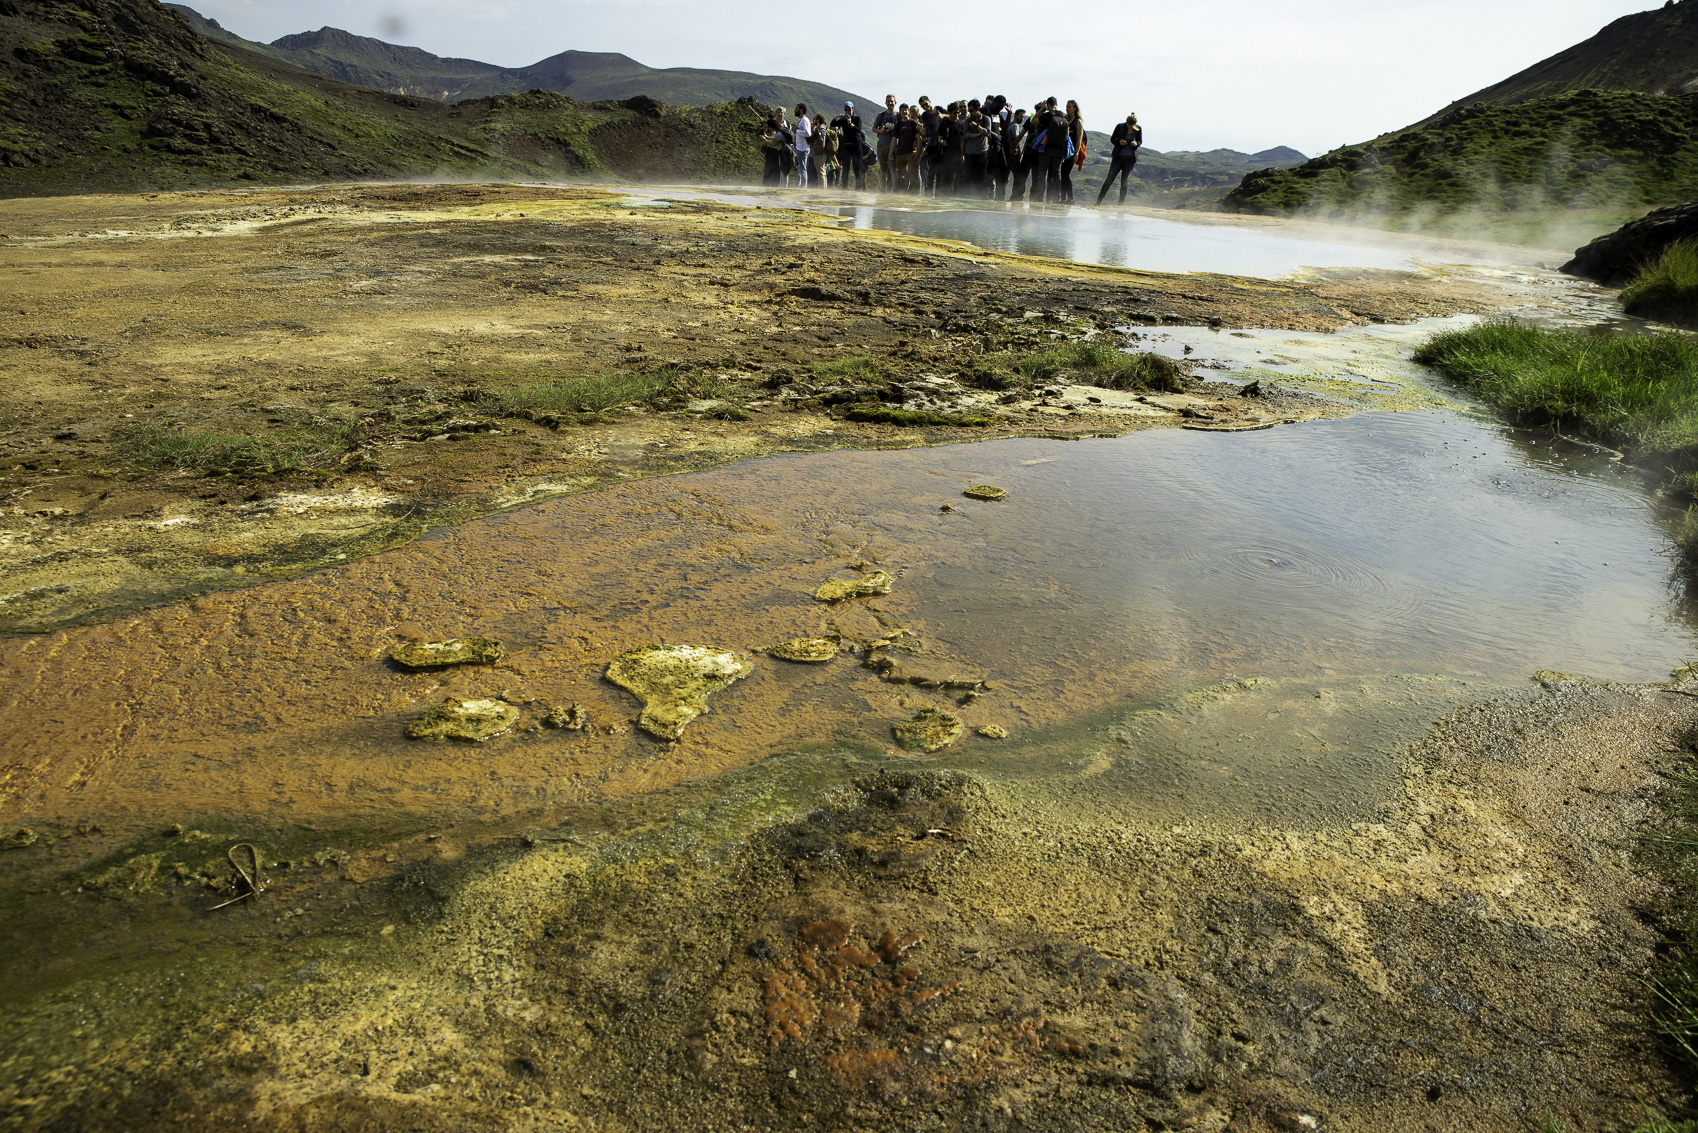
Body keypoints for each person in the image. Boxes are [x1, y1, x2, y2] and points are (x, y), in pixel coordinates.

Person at [1097, 112, 1142, 204]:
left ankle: (1120, 204)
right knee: (1109, 180)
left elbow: (1140, 141)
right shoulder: (1120, 127)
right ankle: (1099, 200)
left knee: (1124, 183)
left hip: (1130, 160)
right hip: (1118, 158)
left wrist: (1136, 144)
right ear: (1126, 122)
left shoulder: (1138, 129)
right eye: (1129, 125)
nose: (1130, 128)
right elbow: (1112, 139)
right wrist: (1119, 142)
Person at [1032, 97, 1070, 203]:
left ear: (1048, 105)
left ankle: (1039, 197)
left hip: (1045, 149)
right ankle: (1054, 198)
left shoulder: (1047, 115)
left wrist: (1041, 110)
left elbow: (1034, 121)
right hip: (1058, 150)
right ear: (1057, 104)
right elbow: (1067, 134)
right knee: (1056, 174)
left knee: (1042, 173)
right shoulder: (1064, 116)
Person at [832, 101, 867, 190]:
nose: (847, 111)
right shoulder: (843, 120)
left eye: (849, 109)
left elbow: (858, 130)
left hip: (856, 146)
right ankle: (845, 188)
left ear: (852, 109)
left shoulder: (857, 118)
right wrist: (836, 117)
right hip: (846, 146)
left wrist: (851, 124)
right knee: (846, 168)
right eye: (846, 109)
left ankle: (858, 189)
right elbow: (833, 124)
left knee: (857, 168)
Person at [961, 98, 990, 195]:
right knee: (968, 177)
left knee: (981, 178)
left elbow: (987, 132)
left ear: (978, 109)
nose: (970, 113)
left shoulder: (986, 119)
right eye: (969, 111)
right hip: (970, 152)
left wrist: (977, 126)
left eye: (972, 110)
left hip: (982, 152)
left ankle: (980, 196)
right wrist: (978, 134)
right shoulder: (966, 121)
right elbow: (967, 135)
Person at [759, 108, 794, 187]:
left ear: (784, 114)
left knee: (777, 171)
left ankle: (775, 188)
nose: (780, 114)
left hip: (781, 151)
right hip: (771, 150)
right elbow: (764, 134)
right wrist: (764, 130)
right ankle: (765, 187)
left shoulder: (787, 125)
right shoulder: (771, 123)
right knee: (768, 170)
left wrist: (766, 139)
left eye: (781, 112)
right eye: (778, 112)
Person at [892, 104, 921, 192]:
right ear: (900, 112)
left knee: (913, 174)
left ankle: (915, 194)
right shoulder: (898, 125)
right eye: (902, 110)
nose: (904, 112)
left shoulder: (913, 123)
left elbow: (919, 137)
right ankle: (903, 193)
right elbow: (894, 139)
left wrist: (919, 151)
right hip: (900, 153)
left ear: (908, 111)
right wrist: (891, 152)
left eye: (906, 110)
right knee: (902, 175)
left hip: (911, 152)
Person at [873, 94, 899, 191]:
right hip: (882, 144)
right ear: (885, 103)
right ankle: (882, 190)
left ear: (895, 103)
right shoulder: (881, 115)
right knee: (883, 169)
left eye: (892, 101)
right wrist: (881, 131)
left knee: (893, 169)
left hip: (894, 145)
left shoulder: (898, 116)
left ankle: (895, 190)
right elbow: (874, 128)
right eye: (888, 101)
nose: (890, 103)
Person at [1060, 100, 1084, 203]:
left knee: (1065, 173)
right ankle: (1063, 198)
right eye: (1066, 106)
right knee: (1063, 174)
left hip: (1072, 151)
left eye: (1069, 106)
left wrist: (1076, 154)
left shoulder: (1078, 121)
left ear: (1074, 108)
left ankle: (1070, 198)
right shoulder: (1065, 119)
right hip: (1064, 151)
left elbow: (1079, 138)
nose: (1067, 108)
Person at [1006, 107, 1032, 201]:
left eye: (1023, 117)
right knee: (1018, 177)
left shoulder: (1011, 125)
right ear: (1016, 116)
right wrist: (1020, 152)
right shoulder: (1015, 126)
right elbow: (1016, 141)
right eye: (1021, 116)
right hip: (1012, 155)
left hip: (1009, 154)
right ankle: (1016, 197)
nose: (1022, 119)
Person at [917, 96, 941, 195]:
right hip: (931, 145)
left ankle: (939, 194)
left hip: (942, 144)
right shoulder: (924, 116)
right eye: (922, 106)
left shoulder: (939, 109)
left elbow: (951, 118)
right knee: (930, 171)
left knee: (941, 171)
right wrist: (918, 130)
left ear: (929, 101)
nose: (925, 107)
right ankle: (928, 194)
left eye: (926, 104)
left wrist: (943, 116)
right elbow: (924, 133)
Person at [791, 103, 812, 189]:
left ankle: (804, 187)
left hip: (803, 148)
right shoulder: (801, 120)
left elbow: (808, 133)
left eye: (797, 109)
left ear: (801, 110)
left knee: (803, 169)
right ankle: (803, 186)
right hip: (800, 147)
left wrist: (797, 131)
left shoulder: (804, 120)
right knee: (801, 168)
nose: (795, 110)